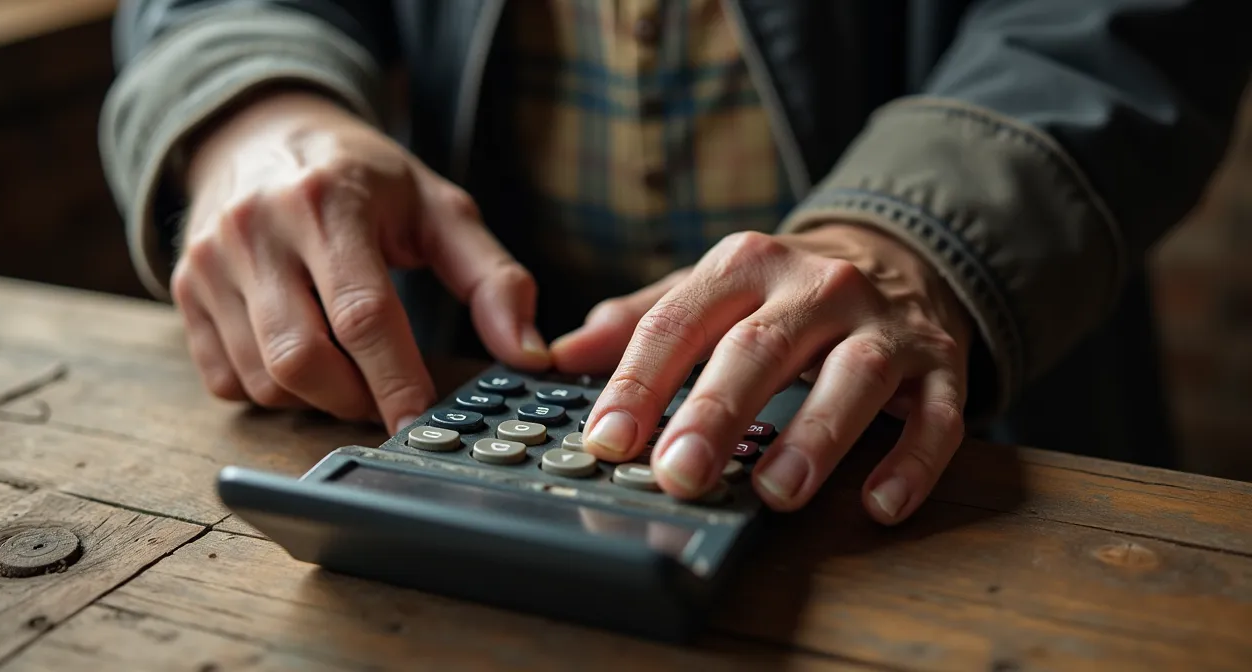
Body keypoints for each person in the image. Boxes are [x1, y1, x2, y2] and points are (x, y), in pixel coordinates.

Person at [99, 0, 1247, 525]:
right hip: (460, 423)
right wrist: (251, 102)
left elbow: (1129, 22)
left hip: (964, 441)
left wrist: (911, 240)